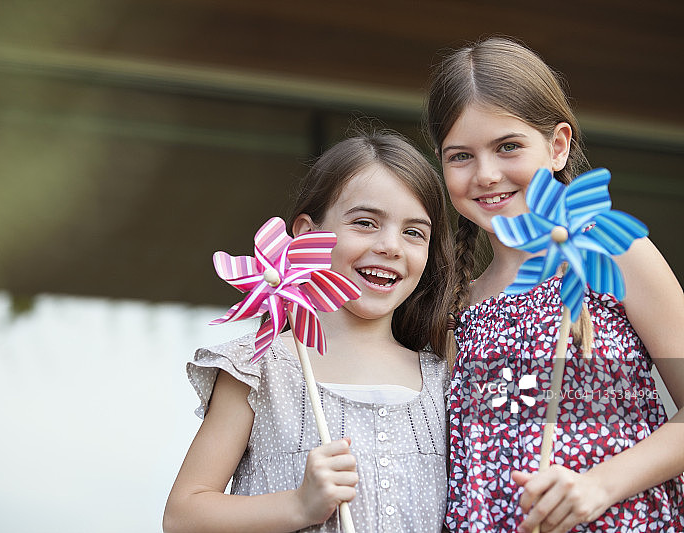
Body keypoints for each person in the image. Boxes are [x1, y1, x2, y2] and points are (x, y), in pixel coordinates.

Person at [425, 36, 684, 533]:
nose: (486, 174)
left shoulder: (612, 250)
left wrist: (597, 487)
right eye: (460, 156)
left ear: (558, 145)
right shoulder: (456, 304)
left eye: (508, 146)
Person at [162, 131, 454, 532]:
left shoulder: (445, 380)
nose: (391, 245)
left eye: (414, 232)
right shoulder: (259, 368)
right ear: (306, 235)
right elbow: (183, 516)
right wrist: (299, 505)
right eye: (366, 223)